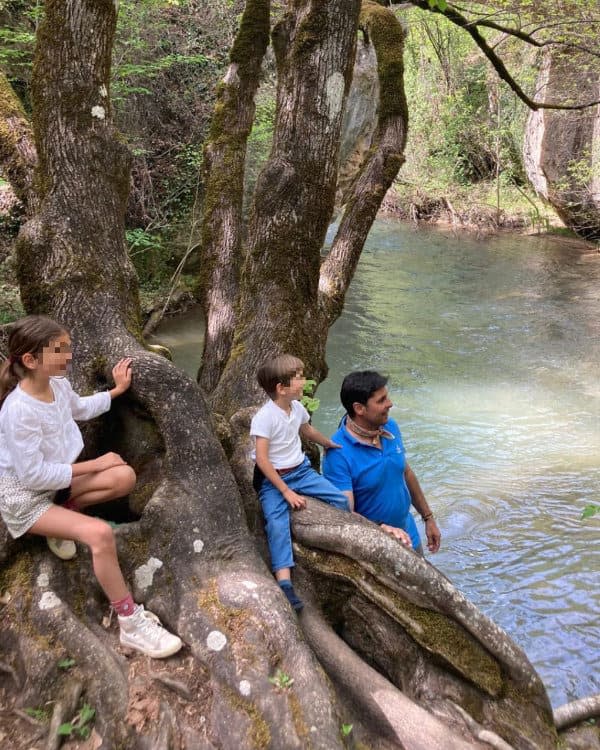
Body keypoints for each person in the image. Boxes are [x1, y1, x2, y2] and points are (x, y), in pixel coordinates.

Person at [0, 315, 182, 658]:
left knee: (124, 477)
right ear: (30, 360)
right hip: (25, 500)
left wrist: (116, 391)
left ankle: (62, 522)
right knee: (99, 535)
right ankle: (131, 624)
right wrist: (95, 463)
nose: (69, 356)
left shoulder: (56, 384)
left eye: (68, 347)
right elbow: (32, 477)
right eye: (60, 350)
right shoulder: (18, 411)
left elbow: (80, 408)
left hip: (55, 488)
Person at [250, 354, 349, 611]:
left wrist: (327, 443)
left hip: (301, 471)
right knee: (277, 522)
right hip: (274, 480)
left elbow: (306, 430)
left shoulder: (296, 408)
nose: (304, 381)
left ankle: (338, 545)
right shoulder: (265, 417)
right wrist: (285, 492)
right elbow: (261, 459)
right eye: (299, 378)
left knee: (339, 498)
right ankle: (285, 582)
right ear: (281, 388)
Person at [323, 370, 441, 555]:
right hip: (377, 548)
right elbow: (344, 514)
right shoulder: (337, 453)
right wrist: (382, 528)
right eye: (381, 400)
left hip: (409, 535)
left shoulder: (390, 426)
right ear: (359, 409)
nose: (390, 404)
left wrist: (428, 518)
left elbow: (405, 472)